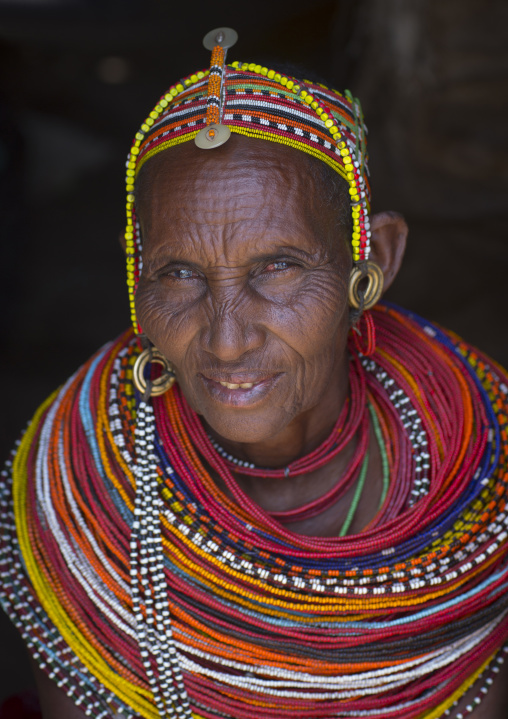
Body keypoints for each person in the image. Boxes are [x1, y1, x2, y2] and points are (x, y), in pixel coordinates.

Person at [1, 27, 508, 719]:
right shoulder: (79, 482)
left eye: (279, 266)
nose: (228, 339)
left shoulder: (481, 465)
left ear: (376, 259)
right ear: (134, 272)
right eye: (178, 274)